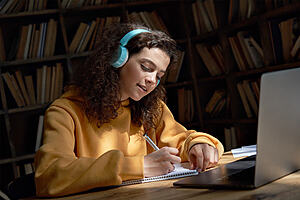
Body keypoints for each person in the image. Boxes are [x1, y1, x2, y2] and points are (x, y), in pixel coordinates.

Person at [34, 23, 224, 197]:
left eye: (159, 75)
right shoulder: (65, 111)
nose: (152, 80)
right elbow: (50, 175)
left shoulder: (152, 107)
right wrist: (138, 165)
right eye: (146, 67)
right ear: (118, 59)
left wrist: (197, 144)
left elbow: (181, 139)